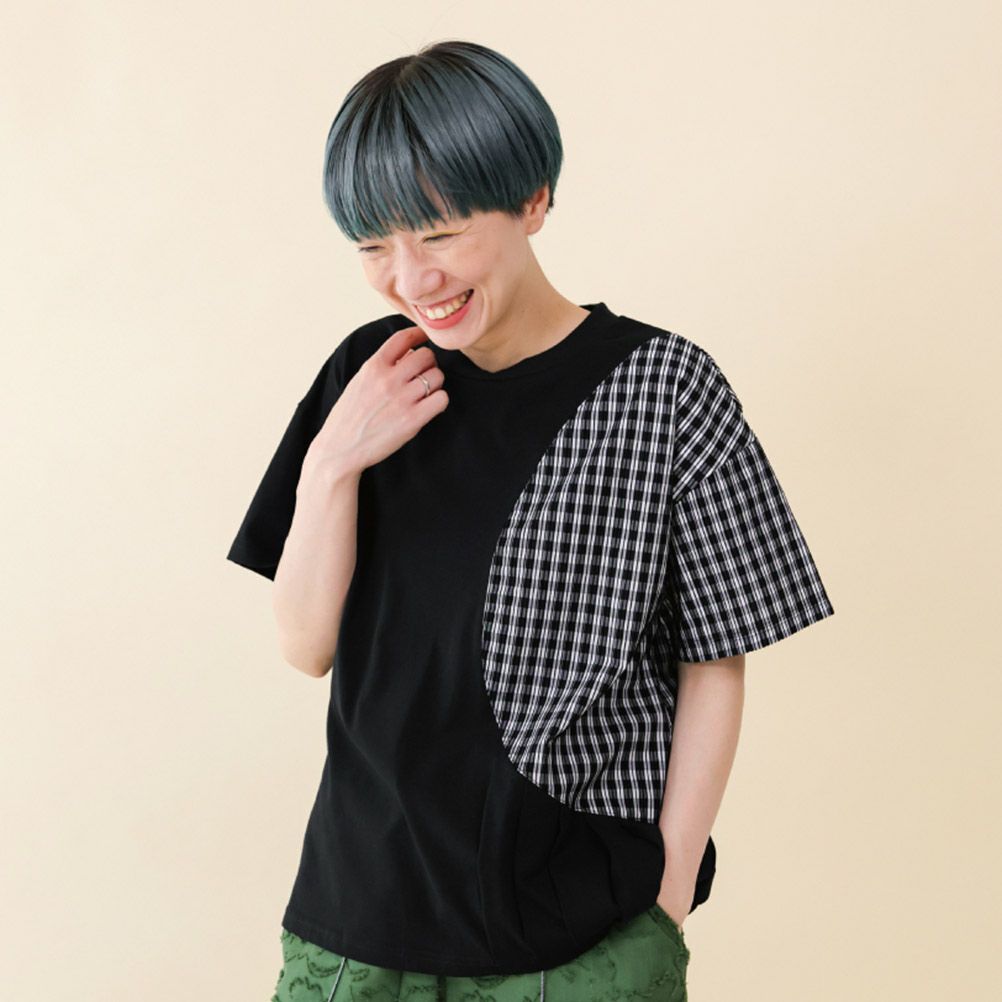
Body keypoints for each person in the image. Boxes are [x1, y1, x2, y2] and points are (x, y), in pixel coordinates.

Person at [226, 39, 835, 1002]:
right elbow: (307, 647)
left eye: (439, 234)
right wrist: (333, 465)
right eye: (373, 246)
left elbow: (715, 659)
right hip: (355, 926)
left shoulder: (667, 390)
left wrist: (669, 894)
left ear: (533, 198)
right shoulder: (369, 376)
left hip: (580, 935)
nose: (410, 280)